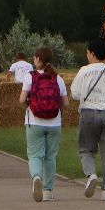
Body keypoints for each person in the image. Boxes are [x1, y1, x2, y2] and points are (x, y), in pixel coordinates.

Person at [72, 38, 105, 200]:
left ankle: (91, 174)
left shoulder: (84, 70)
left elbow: (75, 93)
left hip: (89, 112)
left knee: (86, 149)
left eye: (88, 53)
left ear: (92, 53)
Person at [21, 46, 67, 201]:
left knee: (35, 154)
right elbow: (66, 103)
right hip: (54, 123)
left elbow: (21, 99)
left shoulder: (30, 77)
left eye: (34, 58)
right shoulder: (57, 78)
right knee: (50, 156)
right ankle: (47, 191)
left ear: (38, 59)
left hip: (34, 121)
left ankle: (36, 177)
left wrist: (29, 106)